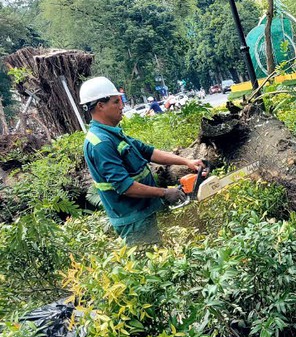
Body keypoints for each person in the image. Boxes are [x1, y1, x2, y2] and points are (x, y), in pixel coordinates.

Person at [80, 76, 204, 245]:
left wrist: (186, 161)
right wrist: (165, 192)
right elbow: (125, 186)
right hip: (134, 220)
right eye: (116, 102)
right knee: (151, 264)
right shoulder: (100, 143)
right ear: (100, 105)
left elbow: (149, 152)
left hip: (145, 210)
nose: (122, 106)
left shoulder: (113, 134)